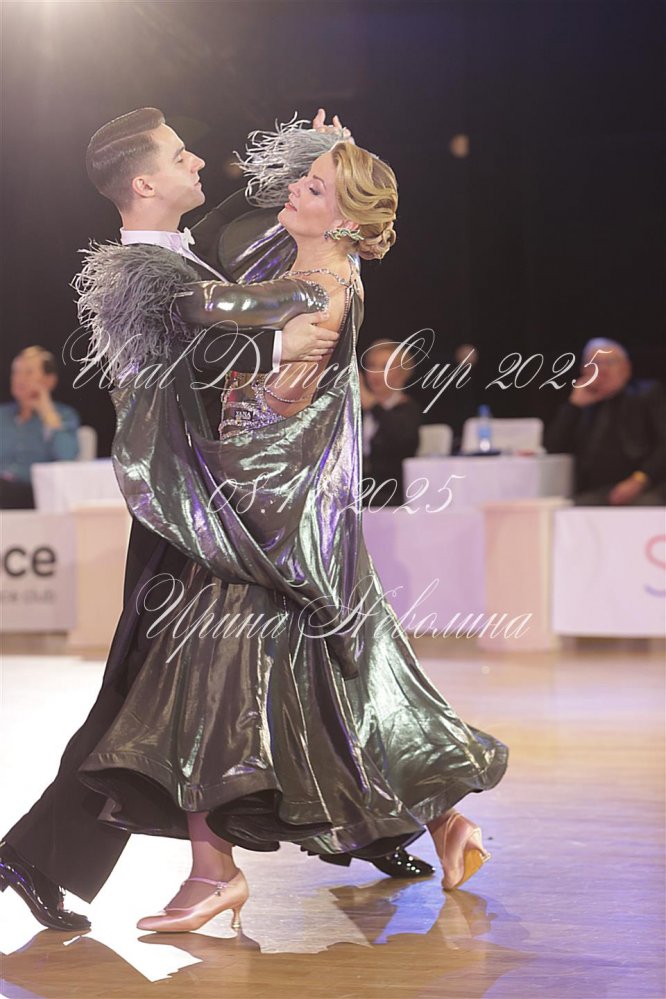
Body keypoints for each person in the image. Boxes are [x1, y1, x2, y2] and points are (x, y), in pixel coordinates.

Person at [69, 122, 508, 933]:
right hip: (285, 516)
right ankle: (442, 818)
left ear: (340, 217)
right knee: (330, 682)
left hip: (269, 518)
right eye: (299, 180)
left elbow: (230, 337)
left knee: (213, 679)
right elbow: (245, 301)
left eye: (310, 187)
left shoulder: (312, 287)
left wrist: (236, 373)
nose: (289, 191)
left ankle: (214, 873)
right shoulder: (315, 267)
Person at [0, 109, 428, 935]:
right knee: (145, 701)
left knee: (273, 668)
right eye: (179, 155)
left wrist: (319, 155)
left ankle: (370, 829)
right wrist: (292, 332)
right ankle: (49, 855)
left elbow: (277, 213)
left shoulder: (189, 246)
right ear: (143, 183)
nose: (198, 161)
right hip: (184, 513)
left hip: (226, 504)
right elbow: (209, 334)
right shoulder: (136, 273)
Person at [545, 337, 666, 505]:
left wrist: (640, 479)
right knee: (560, 509)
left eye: (610, 362)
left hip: (644, 487)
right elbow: (552, 450)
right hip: (592, 492)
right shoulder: (581, 406)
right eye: (594, 364)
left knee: (646, 504)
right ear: (583, 370)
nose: (602, 370)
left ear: (626, 368)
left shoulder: (647, 394)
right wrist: (573, 407)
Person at [0, 346, 80, 509]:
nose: (19, 378)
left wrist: (47, 412)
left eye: (28, 372)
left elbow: (66, 457)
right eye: (16, 372)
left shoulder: (64, 415)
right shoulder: (3, 415)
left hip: (37, 493)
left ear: (49, 380)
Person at [360, 339, 421, 507]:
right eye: (372, 366)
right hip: (360, 493)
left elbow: (402, 439)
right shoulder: (359, 410)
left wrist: (372, 405)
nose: (376, 373)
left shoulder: (407, 409)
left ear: (402, 373)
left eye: (385, 367)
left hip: (392, 495)